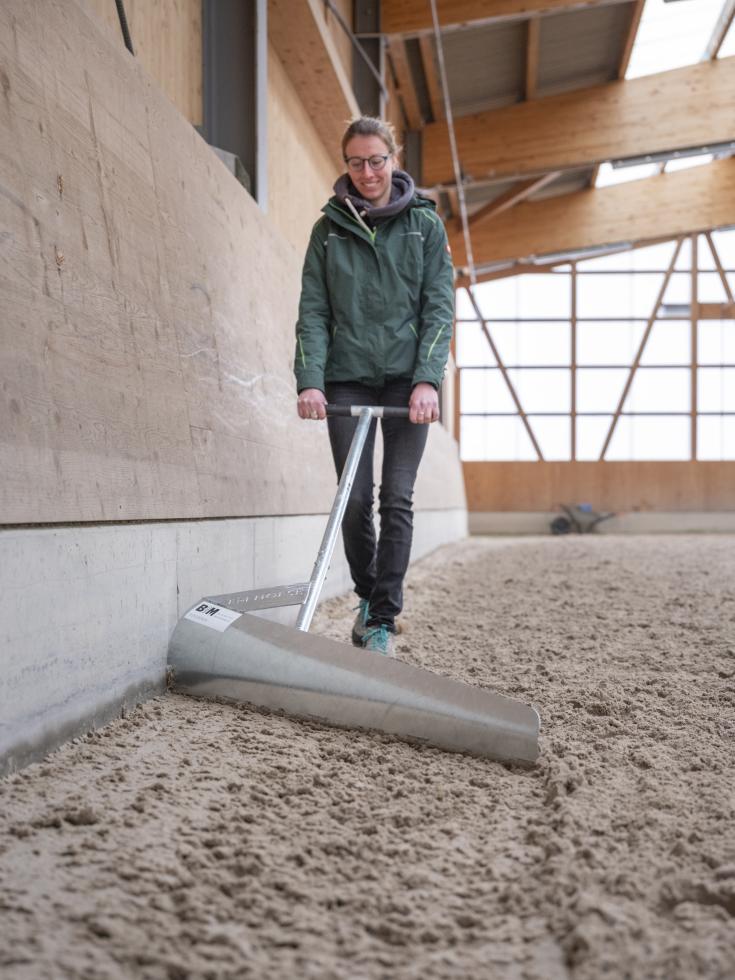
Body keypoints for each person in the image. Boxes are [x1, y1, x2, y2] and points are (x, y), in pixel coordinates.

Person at [294, 116, 454, 657]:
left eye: (377, 160)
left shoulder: (424, 226)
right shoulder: (328, 230)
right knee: (354, 498)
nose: (367, 172)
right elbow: (313, 312)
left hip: (409, 385)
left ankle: (382, 618)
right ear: (346, 164)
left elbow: (439, 307)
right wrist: (311, 382)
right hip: (346, 380)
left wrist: (428, 381)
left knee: (397, 498)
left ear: (394, 158)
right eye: (356, 162)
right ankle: (367, 597)